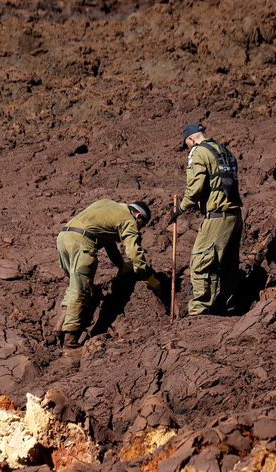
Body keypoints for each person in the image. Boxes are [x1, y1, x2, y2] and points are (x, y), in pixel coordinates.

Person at [56, 199, 160, 348]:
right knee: (81, 291)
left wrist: (121, 266)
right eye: (140, 225)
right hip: (81, 243)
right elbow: (134, 253)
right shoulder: (128, 220)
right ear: (138, 216)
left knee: (74, 286)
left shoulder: (107, 205)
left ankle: (57, 329)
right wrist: (146, 275)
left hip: (64, 238)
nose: (138, 228)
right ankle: (70, 339)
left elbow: (110, 246)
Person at [172, 122, 243, 315]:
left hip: (217, 217)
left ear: (191, 139)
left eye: (186, 144)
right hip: (235, 216)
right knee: (228, 264)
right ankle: (227, 307)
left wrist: (180, 208)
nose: (188, 148)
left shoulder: (198, 152)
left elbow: (195, 187)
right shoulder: (224, 150)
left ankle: (200, 310)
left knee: (201, 262)